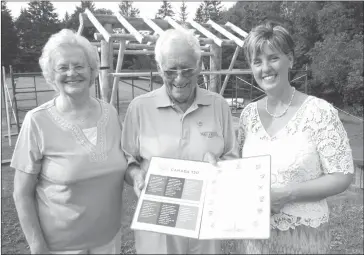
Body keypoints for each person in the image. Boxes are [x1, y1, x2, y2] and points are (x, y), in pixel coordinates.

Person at [237, 21, 354, 254]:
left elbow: (342, 175)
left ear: (290, 59)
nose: (265, 68)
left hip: (303, 236)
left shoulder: (319, 112)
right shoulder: (248, 115)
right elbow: (241, 171)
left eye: (273, 58)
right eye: (257, 61)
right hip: (254, 238)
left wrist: (286, 194)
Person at [121, 28, 239, 254]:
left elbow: (233, 159)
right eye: (170, 70)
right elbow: (127, 158)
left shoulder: (219, 106)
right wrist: (135, 175)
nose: (179, 78)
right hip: (157, 227)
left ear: (200, 66)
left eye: (187, 70)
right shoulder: (139, 107)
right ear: (158, 69)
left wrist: (220, 167)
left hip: (206, 226)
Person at [11, 29, 127, 254]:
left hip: (110, 241)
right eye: (63, 67)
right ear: (51, 75)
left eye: (79, 66)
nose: (72, 73)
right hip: (60, 248)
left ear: (92, 70)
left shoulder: (110, 114)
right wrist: (37, 247)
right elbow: (21, 193)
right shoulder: (37, 121)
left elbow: (125, 165)